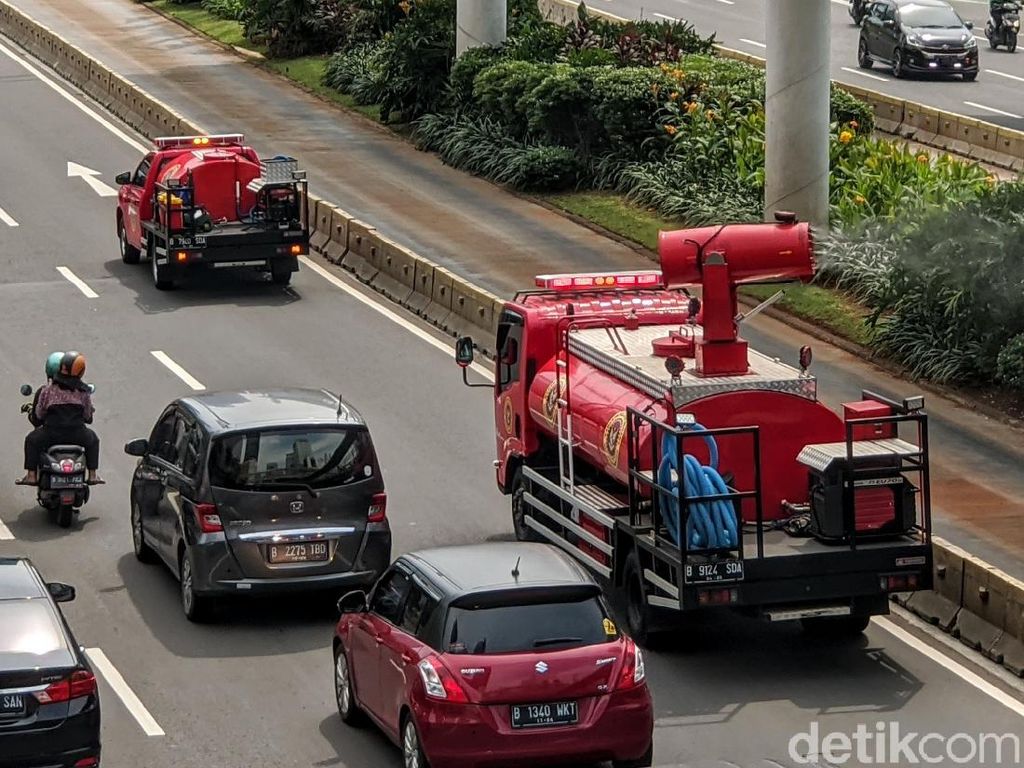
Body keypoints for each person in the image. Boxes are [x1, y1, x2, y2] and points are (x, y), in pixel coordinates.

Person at [17, 352, 104, 486]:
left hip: (51, 434)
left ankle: (31, 475)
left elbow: (39, 415)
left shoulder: (48, 390)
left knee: (31, 440)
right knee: (94, 440)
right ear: (81, 371)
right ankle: (92, 475)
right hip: (78, 435)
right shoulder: (83, 392)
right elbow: (88, 416)